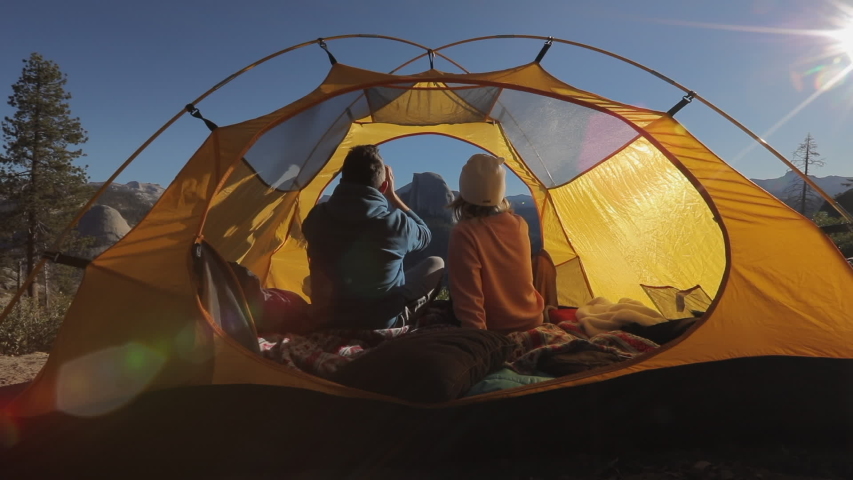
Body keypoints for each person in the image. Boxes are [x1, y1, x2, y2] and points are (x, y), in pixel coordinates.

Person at [302, 144, 444, 330]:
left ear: (342, 180)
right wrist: (393, 197)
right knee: (437, 263)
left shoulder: (316, 217)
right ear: (384, 185)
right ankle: (404, 320)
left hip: (326, 319)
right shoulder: (396, 223)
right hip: (378, 322)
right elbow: (425, 234)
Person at [447, 153, 545, 334]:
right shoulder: (519, 223)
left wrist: (479, 342)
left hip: (496, 329)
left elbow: (469, 298)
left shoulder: (464, 233)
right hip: (533, 320)